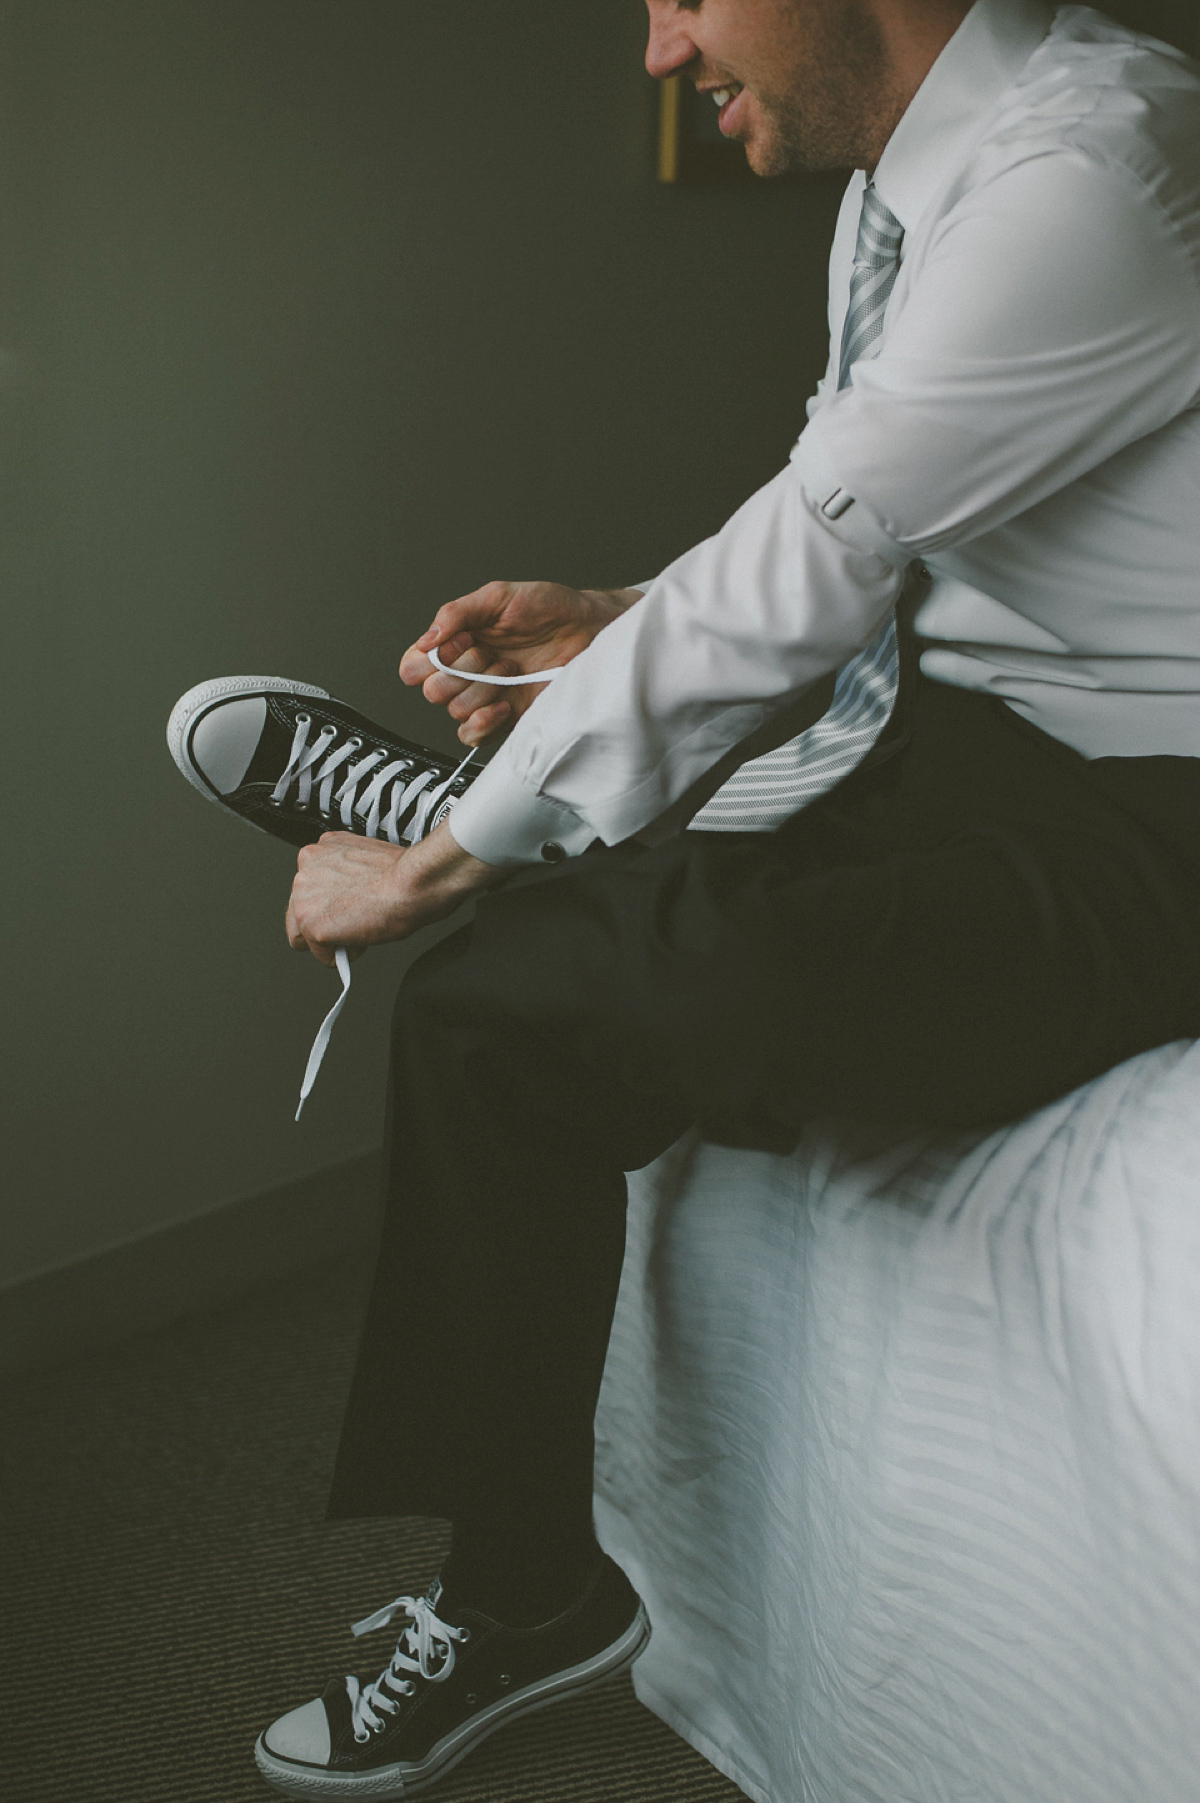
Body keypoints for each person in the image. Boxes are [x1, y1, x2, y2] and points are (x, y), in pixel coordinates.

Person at [171, 0, 1200, 1794]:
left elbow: (821, 560)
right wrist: (622, 618)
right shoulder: (911, 179)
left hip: (1149, 829)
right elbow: (860, 497)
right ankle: (524, 1594)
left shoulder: (1093, 175)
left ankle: (504, 822)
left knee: (657, 968)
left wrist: (441, 853)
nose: (660, 53)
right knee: (495, 1004)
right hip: (961, 749)